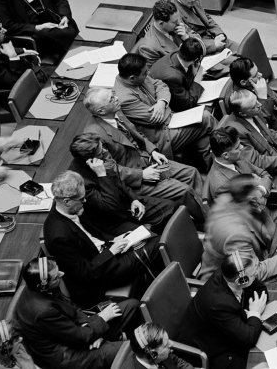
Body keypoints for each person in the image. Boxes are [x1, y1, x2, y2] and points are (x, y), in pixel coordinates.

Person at [81, 86, 208, 208]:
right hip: (135, 179)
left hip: (147, 159)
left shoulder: (115, 111)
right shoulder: (94, 136)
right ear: (101, 111)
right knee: (184, 190)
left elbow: (137, 133)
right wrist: (141, 174)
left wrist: (152, 151)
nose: (117, 98)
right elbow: (109, 168)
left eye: (113, 94)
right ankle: (205, 220)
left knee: (191, 173)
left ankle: (204, 205)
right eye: (111, 99)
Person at [44, 170, 156, 308]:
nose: (85, 201)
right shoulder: (58, 236)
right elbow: (85, 274)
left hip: (106, 254)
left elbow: (91, 236)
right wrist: (111, 252)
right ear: (67, 201)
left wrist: (112, 241)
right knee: (156, 244)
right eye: (81, 199)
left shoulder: (70, 209)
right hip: (100, 275)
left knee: (150, 236)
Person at [15, 257, 141, 369]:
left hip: (76, 333)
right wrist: (101, 319)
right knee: (130, 350)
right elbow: (77, 337)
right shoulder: (44, 311)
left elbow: (72, 308)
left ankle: (118, 338)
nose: (62, 274)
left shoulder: (42, 285)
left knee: (132, 306)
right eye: (56, 277)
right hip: (68, 354)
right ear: (43, 286)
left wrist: (90, 329)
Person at [114, 53, 216, 168]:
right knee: (206, 117)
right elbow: (158, 119)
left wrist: (162, 103)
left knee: (205, 132)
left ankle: (212, 162)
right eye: (144, 73)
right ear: (132, 78)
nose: (148, 74)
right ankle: (223, 156)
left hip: (172, 119)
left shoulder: (137, 76)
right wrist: (163, 106)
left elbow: (161, 84)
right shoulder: (125, 99)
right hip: (161, 135)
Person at [202, 175, 277, 281]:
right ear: (250, 197)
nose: (261, 192)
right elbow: (253, 273)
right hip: (232, 283)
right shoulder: (235, 235)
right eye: (257, 189)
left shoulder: (232, 198)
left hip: (254, 255)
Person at [67, 133, 181, 235]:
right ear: (89, 160)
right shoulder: (80, 183)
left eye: (103, 147)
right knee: (149, 237)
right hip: (113, 220)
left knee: (171, 207)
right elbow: (110, 206)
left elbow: (117, 180)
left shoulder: (100, 159)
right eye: (101, 153)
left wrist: (134, 199)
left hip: (126, 203)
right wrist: (102, 174)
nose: (105, 152)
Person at [182, 252, 266, 369]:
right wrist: (254, 312)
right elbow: (249, 339)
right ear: (241, 281)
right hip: (213, 351)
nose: (257, 273)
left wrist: (248, 312)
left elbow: (261, 289)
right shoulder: (219, 304)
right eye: (253, 274)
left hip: (225, 330)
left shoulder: (230, 274)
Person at [205, 126, 277, 201]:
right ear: (225, 155)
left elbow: (264, 174)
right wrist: (260, 188)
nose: (242, 148)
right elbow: (250, 208)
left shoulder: (236, 157)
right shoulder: (221, 185)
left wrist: (259, 188)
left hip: (270, 196)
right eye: (237, 147)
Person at [149, 37, 209, 112]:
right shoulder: (173, 77)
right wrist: (197, 79)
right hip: (170, 108)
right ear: (196, 60)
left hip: (173, 94)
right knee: (207, 110)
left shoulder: (177, 53)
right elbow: (187, 104)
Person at [122, 323, 197, 369]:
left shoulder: (162, 353)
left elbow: (177, 363)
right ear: (153, 354)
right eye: (165, 345)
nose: (171, 344)